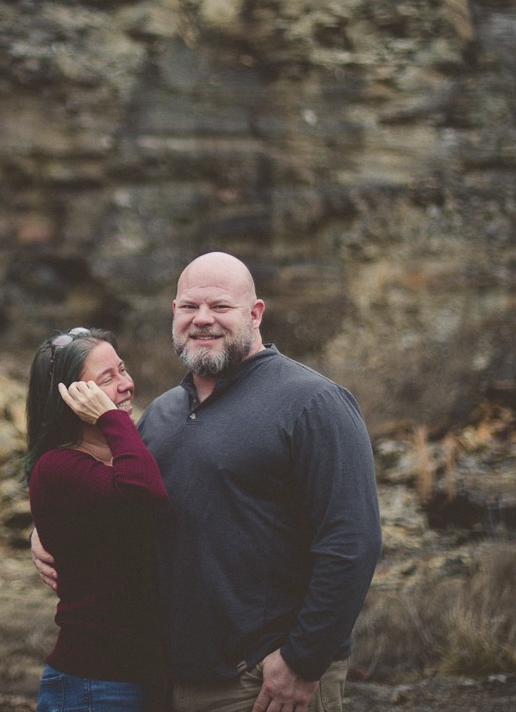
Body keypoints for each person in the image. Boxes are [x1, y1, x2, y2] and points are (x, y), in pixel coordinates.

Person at [33, 253, 382, 712]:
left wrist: (303, 660)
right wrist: (45, 529)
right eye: (188, 307)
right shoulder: (161, 414)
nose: (202, 320)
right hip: (172, 680)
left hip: (264, 681)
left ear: (255, 314)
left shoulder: (313, 403)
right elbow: (114, 495)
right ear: (173, 314)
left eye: (220, 307)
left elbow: (351, 542)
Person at [25, 326, 169, 711]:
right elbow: (143, 493)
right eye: (107, 378)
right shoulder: (58, 467)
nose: (125, 384)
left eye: (123, 369)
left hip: (143, 676)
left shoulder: (129, 452)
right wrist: (112, 419)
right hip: (96, 682)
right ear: (71, 398)